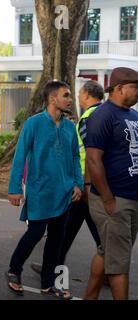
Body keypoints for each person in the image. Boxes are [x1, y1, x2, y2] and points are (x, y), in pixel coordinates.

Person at [5, 81, 83, 299]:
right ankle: (14, 270)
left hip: (65, 192)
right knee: (35, 233)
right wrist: (14, 189)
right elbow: (20, 156)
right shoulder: (34, 123)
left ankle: (49, 283)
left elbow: (76, 157)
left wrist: (77, 183)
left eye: (70, 96)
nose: (70, 99)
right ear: (52, 99)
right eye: (66, 95)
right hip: (40, 190)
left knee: (57, 239)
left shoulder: (69, 127)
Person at [31, 80, 103, 273]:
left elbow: (90, 153)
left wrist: (83, 184)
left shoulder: (88, 117)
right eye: (68, 95)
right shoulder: (105, 114)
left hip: (84, 182)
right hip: (90, 182)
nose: (75, 98)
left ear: (87, 94)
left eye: (77, 94)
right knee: (69, 229)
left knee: (68, 229)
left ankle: (107, 267)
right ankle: (53, 265)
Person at [83, 67, 138, 300]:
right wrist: (107, 199)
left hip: (131, 197)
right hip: (115, 198)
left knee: (109, 252)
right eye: (135, 87)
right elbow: (93, 159)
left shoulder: (133, 115)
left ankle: (89, 296)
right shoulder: (103, 115)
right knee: (119, 264)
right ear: (119, 88)